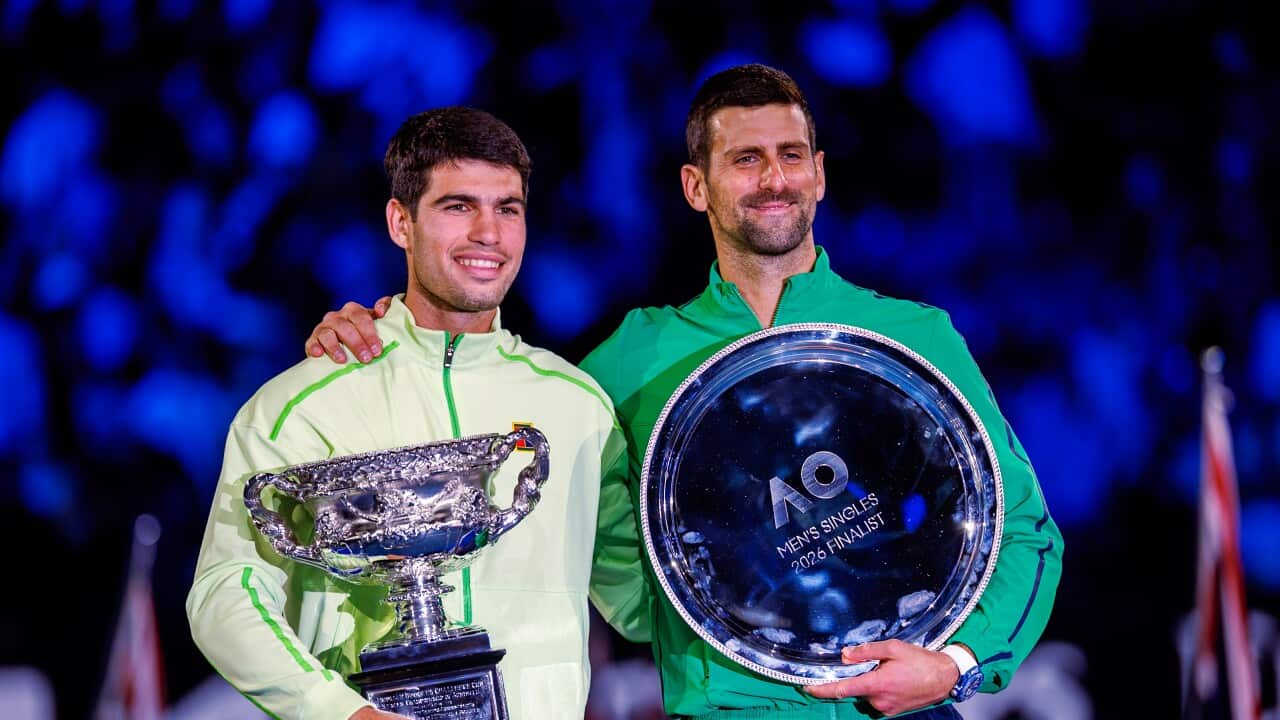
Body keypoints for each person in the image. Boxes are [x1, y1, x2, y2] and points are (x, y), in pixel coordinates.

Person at [306, 65, 1063, 719]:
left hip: (898, 712)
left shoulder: (914, 337)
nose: (774, 178)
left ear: (820, 173)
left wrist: (958, 664)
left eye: (790, 155)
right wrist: (390, 333)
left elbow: (1023, 531)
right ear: (696, 186)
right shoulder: (629, 363)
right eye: (746, 159)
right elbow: (483, 402)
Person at [187, 106, 647, 720]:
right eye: (458, 206)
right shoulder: (298, 403)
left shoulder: (576, 404)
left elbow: (641, 602)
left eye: (507, 208)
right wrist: (338, 712)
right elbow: (227, 593)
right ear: (400, 222)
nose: (489, 232)